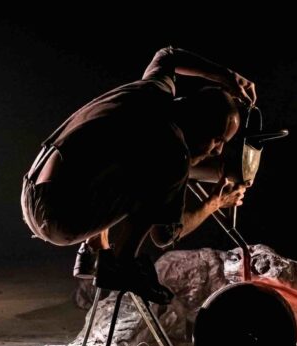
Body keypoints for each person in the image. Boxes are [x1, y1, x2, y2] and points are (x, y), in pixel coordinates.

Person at [21, 46, 255, 303]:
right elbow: (164, 235)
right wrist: (215, 202)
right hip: (62, 218)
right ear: (198, 123)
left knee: (136, 157)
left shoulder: (156, 90)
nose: (218, 150)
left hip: (36, 187)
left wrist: (226, 76)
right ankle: (122, 263)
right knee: (170, 166)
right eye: (217, 139)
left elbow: (168, 55)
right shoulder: (173, 149)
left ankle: (95, 245)